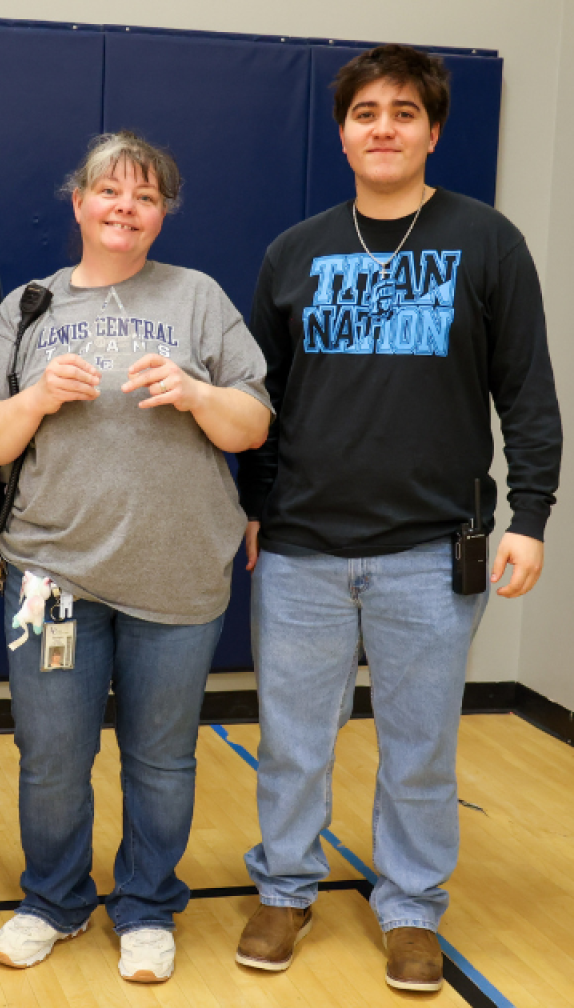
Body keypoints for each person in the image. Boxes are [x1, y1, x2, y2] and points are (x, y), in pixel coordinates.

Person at [235, 44, 560, 993]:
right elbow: (264, 401)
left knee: (421, 747)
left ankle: (412, 907)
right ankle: (286, 888)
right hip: (301, 548)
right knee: (292, 741)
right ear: (342, 132)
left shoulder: (487, 241)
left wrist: (530, 515)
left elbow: (527, 395)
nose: (384, 127)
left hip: (431, 551)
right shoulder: (294, 251)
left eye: (404, 112)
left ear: (433, 131)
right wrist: (257, 508)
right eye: (367, 112)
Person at [0, 132, 272, 984]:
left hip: (177, 575)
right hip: (52, 576)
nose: (125, 208)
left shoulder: (199, 299)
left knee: (161, 757)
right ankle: (53, 900)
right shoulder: (30, 304)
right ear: (80, 203)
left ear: (163, 213)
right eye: (109, 192)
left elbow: (254, 424)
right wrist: (35, 398)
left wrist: (199, 392)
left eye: (145, 196)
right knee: (53, 756)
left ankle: (146, 906)